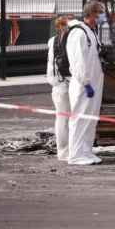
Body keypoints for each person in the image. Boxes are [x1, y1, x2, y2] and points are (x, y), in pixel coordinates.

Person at [66, 1, 105, 165]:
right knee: (80, 118)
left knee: (90, 119)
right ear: (91, 14)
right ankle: (75, 154)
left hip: (93, 83)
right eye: (100, 13)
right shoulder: (78, 33)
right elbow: (78, 61)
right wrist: (86, 82)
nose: (102, 16)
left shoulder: (90, 31)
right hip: (84, 85)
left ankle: (86, 151)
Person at [45, 15, 71, 161]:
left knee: (61, 119)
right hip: (67, 82)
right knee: (70, 119)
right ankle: (69, 150)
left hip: (57, 84)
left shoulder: (52, 41)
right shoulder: (69, 40)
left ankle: (62, 152)